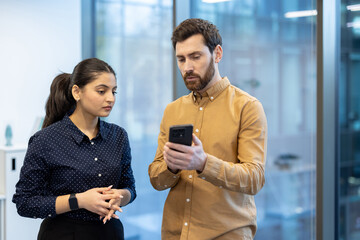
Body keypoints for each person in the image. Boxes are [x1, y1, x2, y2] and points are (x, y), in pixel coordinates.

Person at [148, 18, 267, 240]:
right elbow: (156, 179)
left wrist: (204, 163)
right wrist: (171, 167)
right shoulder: (172, 110)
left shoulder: (247, 107)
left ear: (217, 54)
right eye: (181, 59)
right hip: (174, 234)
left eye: (196, 56)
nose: (187, 67)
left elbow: (254, 178)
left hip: (225, 234)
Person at [13, 58, 136, 240]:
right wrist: (79, 200)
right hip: (63, 234)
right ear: (77, 92)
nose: (111, 98)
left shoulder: (118, 136)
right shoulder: (45, 140)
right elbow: (25, 203)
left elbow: (130, 187)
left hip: (110, 232)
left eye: (114, 91)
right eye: (101, 91)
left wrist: (121, 196)